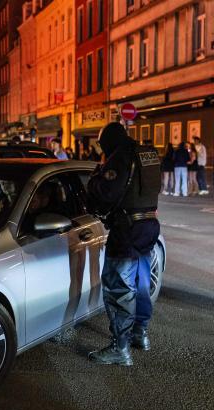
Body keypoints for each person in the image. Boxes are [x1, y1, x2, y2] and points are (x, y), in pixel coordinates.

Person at [87, 122, 161, 366]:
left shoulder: (120, 158)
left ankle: (120, 347)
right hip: (148, 226)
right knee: (140, 284)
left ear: (109, 141)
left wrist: (96, 178)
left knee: (119, 288)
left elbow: (107, 193)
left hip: (127, 231)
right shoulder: (147, 154)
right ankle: (141, 334)